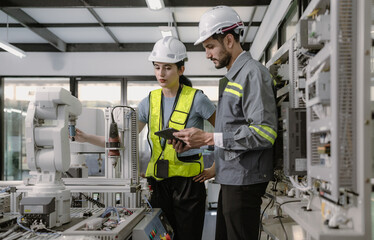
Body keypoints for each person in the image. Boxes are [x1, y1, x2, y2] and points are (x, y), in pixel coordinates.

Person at [74, 36, 216, 240]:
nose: (161, 73)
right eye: (157, 67)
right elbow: (123, 141)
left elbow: (225, 133)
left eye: (167, 67)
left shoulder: (197, 99)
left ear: (181, 69)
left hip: (188, 185)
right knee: (160, 237)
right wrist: (87, 138)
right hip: (158, 184)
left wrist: (216, 169)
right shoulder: (148, 102)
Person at [172, 6, 278, 240]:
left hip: (245, 181)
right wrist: (196, 143)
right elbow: (231, 132)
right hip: (231, 179)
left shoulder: (253, 74)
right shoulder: (232, 79)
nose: (208, 54)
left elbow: (265, 133)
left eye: (210, 47)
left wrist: (209, 137)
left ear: (229, 40)